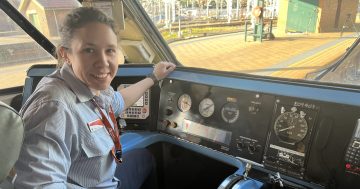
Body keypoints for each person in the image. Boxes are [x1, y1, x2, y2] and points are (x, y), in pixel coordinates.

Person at [14, 7, 176, 189]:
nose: (103, 62)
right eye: (89, 50)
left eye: (110, 50)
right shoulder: (53, 107)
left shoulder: (91, 85)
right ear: (65, 54)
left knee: (145, 158)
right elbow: (40, 184)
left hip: (105, 178)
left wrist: (153, 78)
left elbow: (117, 102)